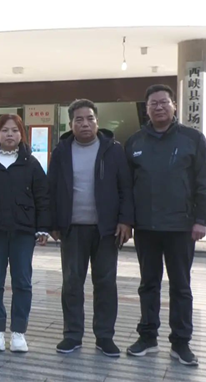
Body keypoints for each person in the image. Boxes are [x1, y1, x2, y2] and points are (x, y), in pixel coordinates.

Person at [125, 84, 206, 366]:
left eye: (164, 102)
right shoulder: (135, 143)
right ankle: (147, 337)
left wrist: (202, 219)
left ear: (174, 105)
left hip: (181, 227)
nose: (159, 107)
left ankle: (181, 342)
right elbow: (126, 187)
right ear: (146, 109)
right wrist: (127, 221)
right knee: (148, 285)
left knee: (181, 286)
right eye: (153, 103)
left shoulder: (192, 139)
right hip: (146, 228)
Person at [48, 99, 134, 358]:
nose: (85, 124)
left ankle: (105, 336)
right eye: (79, 119)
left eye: (90, 119)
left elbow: (125, 188)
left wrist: (125, 221)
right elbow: (52, 189)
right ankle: (72, 335)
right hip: (72, 229)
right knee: (71, 283)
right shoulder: (61, 151)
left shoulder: (113, 150)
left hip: (106, 230)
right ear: (70, 123)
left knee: (105, 283)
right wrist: (53, 223)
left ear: (97, 121)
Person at [0, 114, 49, 353]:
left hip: (23, 231)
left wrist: (43, 227)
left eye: (14, 130)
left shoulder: (31, 163)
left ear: (21, 134)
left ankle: (18, 333)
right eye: (5, 130)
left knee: (22, 281)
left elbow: (42, 197)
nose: (10, 134)